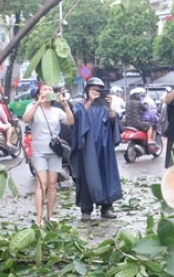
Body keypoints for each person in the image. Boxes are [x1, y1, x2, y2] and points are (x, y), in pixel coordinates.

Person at [71, 77, 122, 221]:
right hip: (87, 149)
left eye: (99, 91)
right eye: (93, 90)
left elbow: (113, 122)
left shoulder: (105, 108)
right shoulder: (81, 105)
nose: (97, 93)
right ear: (87, 91)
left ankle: (106, 207)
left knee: (106, 176)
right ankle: (86, 210)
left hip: (104, 149)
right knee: (87, 178)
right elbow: (77, 118)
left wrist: (110, 106)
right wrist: (90, 101)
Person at [23, 82, 74, 227]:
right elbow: (26, 119)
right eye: (44, 89)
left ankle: (50, 216)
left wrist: (65, 105)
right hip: (39, 151)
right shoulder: (33, 107)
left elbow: (70, 121)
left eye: (50, 90)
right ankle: (39, 219)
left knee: (52, 184)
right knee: (42, 184)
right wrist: (38, 103)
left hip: (54, 151)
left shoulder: (57, 111)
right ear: (39, 93)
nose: (47, 91)